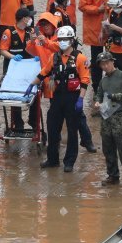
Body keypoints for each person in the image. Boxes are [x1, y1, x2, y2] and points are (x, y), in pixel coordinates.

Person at [33, 25, 91, 173]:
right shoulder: (55, 57)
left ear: (71, 40)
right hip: (57, 97)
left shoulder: (80, 58)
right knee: (53, 128)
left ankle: (69, 161)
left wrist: (81, 99)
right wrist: (31, 85)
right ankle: (52, 159)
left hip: (73, 98)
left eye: (65, 39)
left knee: (72, 131)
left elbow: (85, 80)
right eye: (60, 40)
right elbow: (44, 73)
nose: (63, 42)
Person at [92, 51, 122, 186]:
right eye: (102, 64)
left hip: (120, 116)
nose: (105, 66)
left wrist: (116, 96)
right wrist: (96, 102)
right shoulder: (103, 80)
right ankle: (112, 175)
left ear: (112, 62)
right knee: (108, 148)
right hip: (106, 117)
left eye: (107, 63)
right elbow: (98, 94)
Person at [77, 0, 118, 89]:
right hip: (94, 29)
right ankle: (96, 86)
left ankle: (111, 84)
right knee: (96, 59)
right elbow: (81, 6)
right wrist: (97, 9)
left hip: (108, 28)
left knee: (112, 57)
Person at [0, 7, 37, 132]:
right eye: (29, 17)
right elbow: (2, 50)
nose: (31, 19)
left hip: (28, 69)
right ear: (23, 18)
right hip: (13, 69)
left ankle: (33, 120)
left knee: (34, 93)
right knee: (15, 95)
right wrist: (13, 57)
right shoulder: (9, 32)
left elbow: (37, 47)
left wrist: (37, 54)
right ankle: (18, 123)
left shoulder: (31, 31)